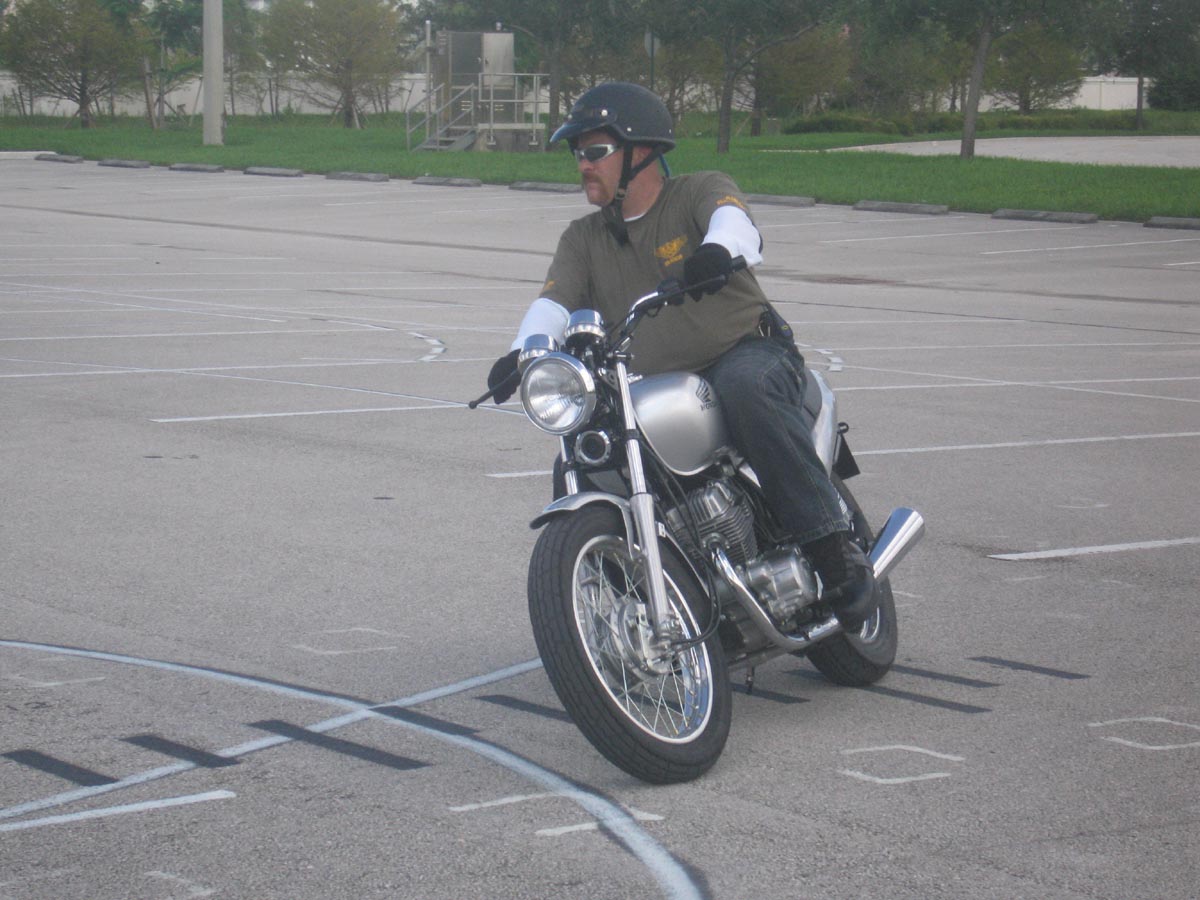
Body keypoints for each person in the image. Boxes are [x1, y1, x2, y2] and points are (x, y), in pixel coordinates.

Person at [486, 82, 877, 631]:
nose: (583, 164)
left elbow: (734, 223)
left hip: (746, 351)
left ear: (641, 151)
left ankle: (834, 552)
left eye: (595, 151)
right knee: (585, 455)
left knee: (746, 390)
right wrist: (523, 352)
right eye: (578, 153)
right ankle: (639, 602)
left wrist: (716, 250)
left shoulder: (697, 191)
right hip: (658, 384)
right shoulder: (583, 238)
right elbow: (553, 302)